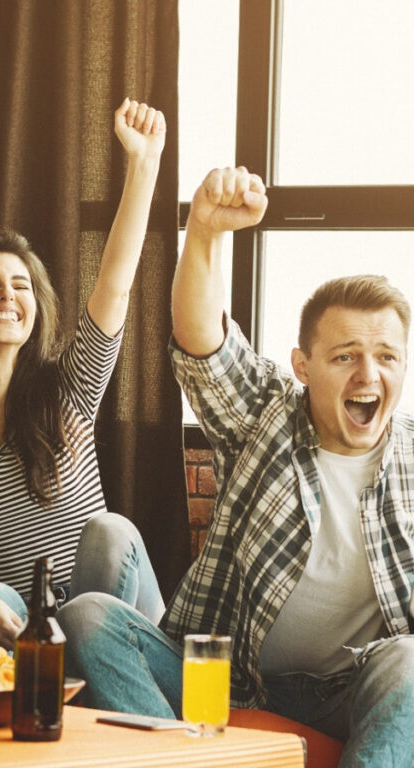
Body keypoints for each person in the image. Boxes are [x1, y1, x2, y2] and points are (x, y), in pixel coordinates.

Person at [60, 166, 414, 767]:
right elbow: (200, 337)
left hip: (347, 695)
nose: (367, 375)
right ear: (302, 366)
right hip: (222, 680)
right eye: (345, 355)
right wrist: (204, 229)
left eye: (386, 356)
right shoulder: (268, 414)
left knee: (410, 660)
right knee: (87, 614)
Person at [0, 97, 167, 650]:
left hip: (104, 608)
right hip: (17, 617)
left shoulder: (68, 386)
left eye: (21, 286)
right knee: (0, 593)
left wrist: (144, 164)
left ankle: (91, 670)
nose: (8, 295)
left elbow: (114, 285)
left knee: (110, 533)